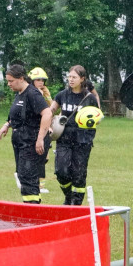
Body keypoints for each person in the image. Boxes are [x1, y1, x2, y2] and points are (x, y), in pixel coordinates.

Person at [0, 64, 52, 203]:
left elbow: (47, 113)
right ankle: (32, 207)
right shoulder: (19, 93)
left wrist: (40, 138)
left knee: (28, 177)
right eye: (7, 81)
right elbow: (19, 114)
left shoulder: (33, 93)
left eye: (11, 81)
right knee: (23, 175)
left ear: (21, 78)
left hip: (32, 141)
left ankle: (33, 210)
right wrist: (7, 124)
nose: (8, 84)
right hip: (20, 140)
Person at [49, 65, 101, 205]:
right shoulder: (62, 95)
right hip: (64, 139)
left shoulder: (89, 98)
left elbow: (97, 119)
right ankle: (69, 196)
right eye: (69, 76)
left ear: (82, 79)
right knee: (61, 171)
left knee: (79, 174)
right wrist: (48, 123)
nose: (71, 80)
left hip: (82, 140)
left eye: (74, 77)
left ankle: (76, 204)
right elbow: (50, 111)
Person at [29, 67, 52, 194]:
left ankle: (40, 184)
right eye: (38, 80)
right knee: (33, 157)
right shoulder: (29, 94)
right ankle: (32, 182)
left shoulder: (44, 93)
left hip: (45, 130)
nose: (41, 82)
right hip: (33, 129)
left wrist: (47, 96)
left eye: (43, 80)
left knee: (44, 157)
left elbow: (52, 110)